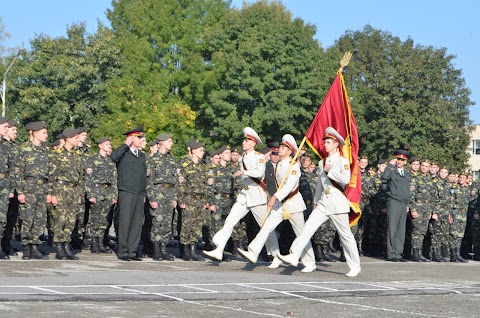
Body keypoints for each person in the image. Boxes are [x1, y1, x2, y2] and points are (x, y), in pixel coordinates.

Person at [278, 127, 361, 277]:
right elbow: (320, 185)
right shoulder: (322, 163)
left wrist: (331, 172)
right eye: (325, 142)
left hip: (337, 201)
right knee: (307, 228)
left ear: (336, 144)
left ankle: (355, 265)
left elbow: (346, 180)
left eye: (329, 142)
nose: (325, 145)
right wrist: (316, 201)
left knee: (345, 235)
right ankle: (294, 254)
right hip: (324, 201)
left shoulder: (343, 161)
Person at [237, 134, 316, 272]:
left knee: (301, 234)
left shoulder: (294, 166)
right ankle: (253, 251)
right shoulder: (279, 163)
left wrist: (275, 197)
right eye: (280, 146)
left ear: (290, 151)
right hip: (281, 204)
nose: (280, 149)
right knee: (267, 227)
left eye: (284, 147)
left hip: (293, 203)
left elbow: (289, 186)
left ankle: (310, 262)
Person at [204, 127, 279, 263]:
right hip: (244, 196)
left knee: (266, 226)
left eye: (247, 140)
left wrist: (243, 172)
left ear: (253, 143)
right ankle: (219, 250)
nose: (244, 143)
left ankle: (275, 253)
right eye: (244, 140)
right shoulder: (241, 158)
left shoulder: (260, 157)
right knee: (230, 221)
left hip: (257, 197)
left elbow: (259, 173)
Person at [111, 126, 147, 261]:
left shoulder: (142, 155)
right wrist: (126, 143)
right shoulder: (124, 154)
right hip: (126, 191)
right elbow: (113, 157)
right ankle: (123, 251)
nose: (141, 139)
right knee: (125, 222)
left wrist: (144, 193)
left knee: (137, 224)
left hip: (139, 193)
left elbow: (143, 176)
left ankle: (133, 251)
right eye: (138, 137)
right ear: (132, 138)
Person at [15, 121, 50, 260]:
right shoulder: (24, 151)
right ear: (34, 133)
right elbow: (18, 172)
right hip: (28, 188)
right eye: (44, 133)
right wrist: (20, 191)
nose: (46, 135)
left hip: (42, 189)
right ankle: (26, 247)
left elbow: (50, 174)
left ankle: (35, 246)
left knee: (40, 219)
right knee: (28, 218)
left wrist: (49, 192)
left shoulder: (45, 152)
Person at [48, 127, 85, 260]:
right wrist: (51, 194)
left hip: (73, 190)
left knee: (71, 220)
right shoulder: (57, 155)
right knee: (60, 219)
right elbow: (52, 176)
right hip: (61, 189)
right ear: (68, 139)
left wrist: (79, 193)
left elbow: (80, 177)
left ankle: (66, 244)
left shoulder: (77, 155)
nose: (77, 140)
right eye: (75, 138)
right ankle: (59, 246)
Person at [177, 139, 214, 261]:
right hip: (188, 199)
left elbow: (206, 185)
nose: (203, 152)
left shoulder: (203, 167)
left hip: (199, 200)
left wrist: (206, 201)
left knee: (196, 226)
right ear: (193, 151)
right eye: (200, 150)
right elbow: (181, 184)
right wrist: (181, 200)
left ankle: (193, 250)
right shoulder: (185, 166)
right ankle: (185, 251)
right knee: (186, 225)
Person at [146, 133, 177, 261]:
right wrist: (152, 198)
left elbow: (176, 181)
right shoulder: (153, 160)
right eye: (169, 141)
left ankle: (164, 249)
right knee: (157, 222)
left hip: (169, 193)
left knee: (167, 222)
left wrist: (175, 197)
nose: (171, 143)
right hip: (158, 192)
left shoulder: (172, 159)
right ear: (161, 143)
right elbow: (149, 181)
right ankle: (156, 250)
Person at [85, 137, 117, 254]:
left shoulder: (110, 161)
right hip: (97, 191)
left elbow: (114, 180)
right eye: (107, 144)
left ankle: (101, 242)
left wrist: (114, 195)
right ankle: (94, 243)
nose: (109, 146)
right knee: (95, 218)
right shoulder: (92, 160)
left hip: (107, 192)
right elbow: (89, 179)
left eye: (110, 144)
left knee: (105, 219)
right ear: (100, 146)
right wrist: (91, 194)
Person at [381, 149, 411, 262]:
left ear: (405, 161)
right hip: (394, 202)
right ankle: (391, 253)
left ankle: (398, 253)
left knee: (401, 230)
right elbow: (384, 177)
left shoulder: (407, 173)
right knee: (392, 228)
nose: (399, 161)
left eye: (402, 160)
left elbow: (407, 190)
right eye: (398, 159)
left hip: (403, 203)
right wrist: (389, 165)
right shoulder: (392, 171)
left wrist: (408, 204)